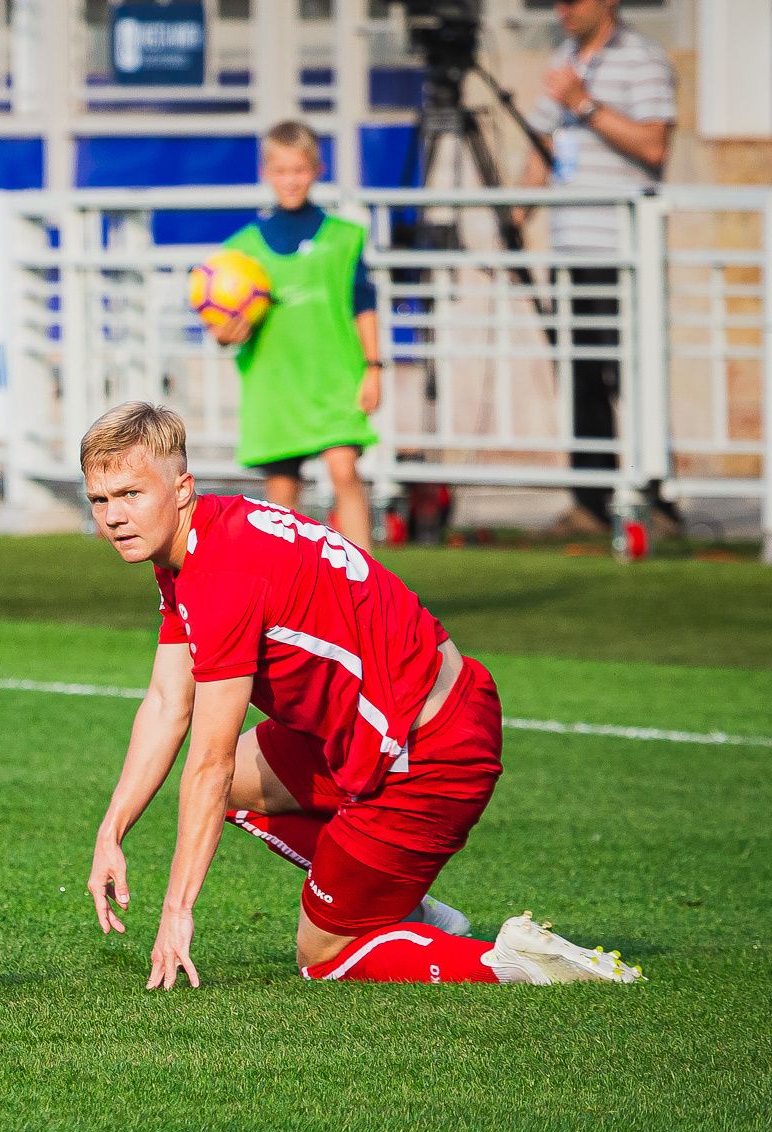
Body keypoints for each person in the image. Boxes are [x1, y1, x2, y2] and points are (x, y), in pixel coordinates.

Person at [76, 402, 644, 989]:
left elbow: (208, 762)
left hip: (431, 752)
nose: (114, 517)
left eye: (131, 494)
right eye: (100, 500)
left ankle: (510, 961)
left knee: (320, 956)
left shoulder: (222, 576)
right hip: (410, 720)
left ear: (182, 487)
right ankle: (401, 910)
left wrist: (176, 913)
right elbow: (170, 702)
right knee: (239, 784)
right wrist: (111, 831)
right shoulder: (204, 533)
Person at [517, 0, 676, 534]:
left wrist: (584, 104)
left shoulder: (644, 59)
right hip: (570, 248)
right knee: (581, 376)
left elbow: (653, 145)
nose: (562, 8)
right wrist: (515, 217)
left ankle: (656, 498)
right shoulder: (565, 57)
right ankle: (591, 501)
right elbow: (541, 145)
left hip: (623, 250)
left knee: (633, 376)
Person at [210, 121, 382, 552]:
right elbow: (221, 324)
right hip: (276, 385)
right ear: (266, 172)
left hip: (334, 376)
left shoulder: (344, 237)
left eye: (300, 170)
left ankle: (367, 589)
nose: (291, 180)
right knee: (283, 500)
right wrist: (225, 334)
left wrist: (374, 367)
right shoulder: (240, 251)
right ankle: (296, 600)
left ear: (317, 170)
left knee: (344, 470)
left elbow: (363, 302)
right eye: (281, 170)